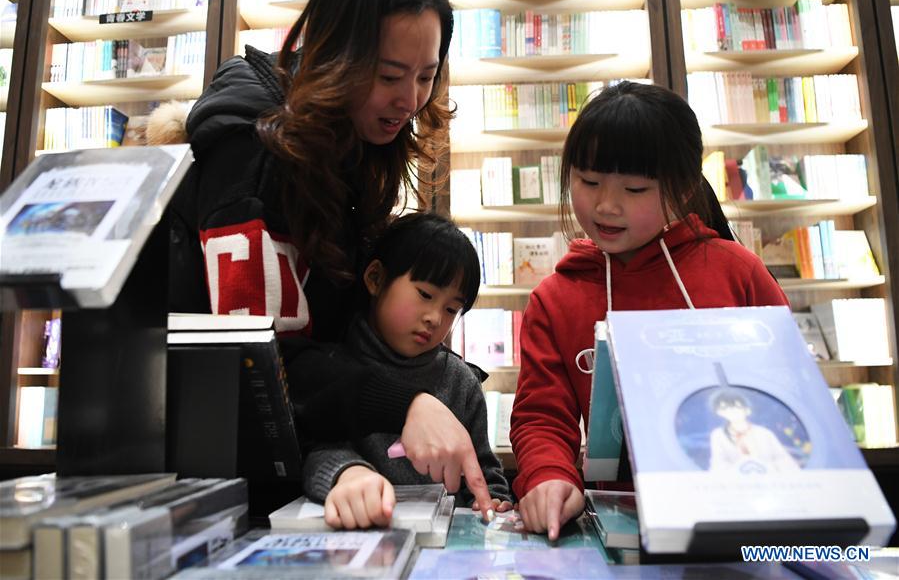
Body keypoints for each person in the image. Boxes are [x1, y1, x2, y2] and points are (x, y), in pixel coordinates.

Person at [155, 0, 494, 515]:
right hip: (222, 475)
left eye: (426, 76)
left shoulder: (354, 147)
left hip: (288, 470)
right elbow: (263, 358)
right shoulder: (254, 155)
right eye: (389, 75)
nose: (409, 99)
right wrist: (406, 401)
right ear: (337, 55)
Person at [510, 82, 790, 540]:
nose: (606, 205)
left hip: (748, 512)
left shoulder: (737, 272)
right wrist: (547, 476)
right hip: (619, 526)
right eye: (589, 181)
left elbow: (790, 388)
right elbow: (542, 416)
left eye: (635, 188)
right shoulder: (555, 299)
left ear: (683, 187)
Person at [301, 212, 512, 529]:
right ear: (375, 278)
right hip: (364, 537)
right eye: (425, 295)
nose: (435, 318)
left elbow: (485, 474)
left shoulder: (461, 381)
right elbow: (317, 452)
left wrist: (494, 500)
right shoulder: (335, 369)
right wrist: (348, 473)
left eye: (451, 309)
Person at [708, 390, 801, 473]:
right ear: (719, 412)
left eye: (737, 407)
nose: (732, 411)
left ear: (747, 410)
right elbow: (718, 464)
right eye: (725, 408)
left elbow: (783, 459)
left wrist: (769, 468)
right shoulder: (718, 435)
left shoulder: (764, 433)